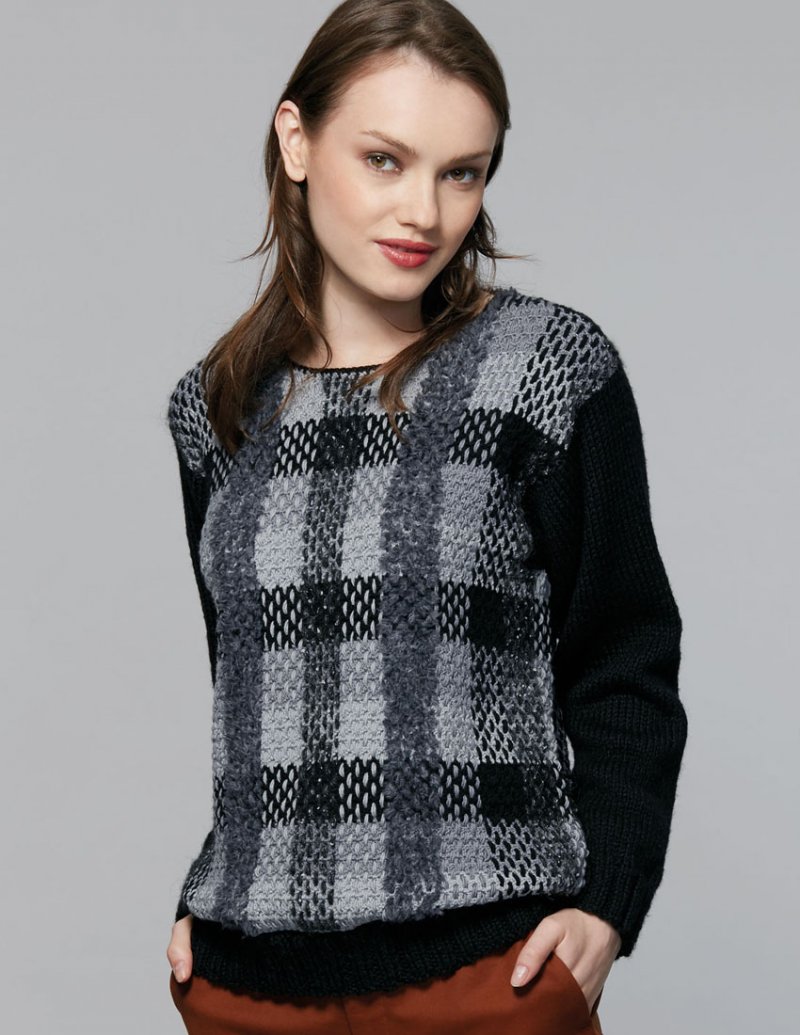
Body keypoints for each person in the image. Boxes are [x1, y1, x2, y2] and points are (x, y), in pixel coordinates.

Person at [163, 1, 688, 1032]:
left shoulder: (544, 370)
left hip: (486, 976)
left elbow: (626, 654)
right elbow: (250, 690)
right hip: (245, 989)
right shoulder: (217, 407)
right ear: (296, 140)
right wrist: (206, 900)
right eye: (385, 160)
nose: (424, 213)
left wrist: (606, 904)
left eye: (461, 172)